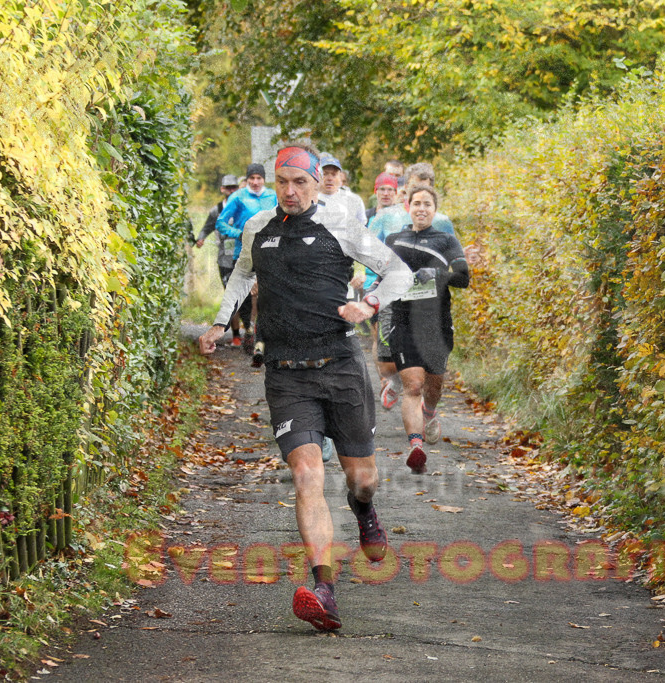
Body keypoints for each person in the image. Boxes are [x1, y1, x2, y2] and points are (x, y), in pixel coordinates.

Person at [199, 144, 413, 631]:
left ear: (317, 183)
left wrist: (371, 302)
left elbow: (400, 270)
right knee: (307, 476)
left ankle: (365, 512)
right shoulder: (259, 229)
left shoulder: (341, 226)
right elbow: (240, 277)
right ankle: (324, 588)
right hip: (287, 372)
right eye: (283, 182)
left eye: (300, 182)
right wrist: (218, 323)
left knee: (362, 479)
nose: (290, 191)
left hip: (340, 366)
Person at [385, 185, 469, 474]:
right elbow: (381, 274)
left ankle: (430, 413)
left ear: (435, 210)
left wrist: (436, 274)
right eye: (416, 203)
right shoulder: (394, 240)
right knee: (413, 386)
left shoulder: (446, 241)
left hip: (436, 324)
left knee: (433, 386)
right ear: (407, 206)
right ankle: (416, 445)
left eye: (427, 205)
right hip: (403, 320)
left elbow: (464, 278)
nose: (421, 209)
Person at [363, 172, 404, 409]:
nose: (386, 194)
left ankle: (395, 375)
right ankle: (385, 379)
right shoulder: (371, 217)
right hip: (373, 281)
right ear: (375, 192)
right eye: (382, 190)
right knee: (379, 332)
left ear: (396, 193)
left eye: (390, 190)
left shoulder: (401, 217)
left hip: (397, 281)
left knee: (396, 331)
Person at [195, 174, 243, 335]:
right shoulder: (216, 210)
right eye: (228, 188)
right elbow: (207, 226)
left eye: (233, 187)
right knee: (231, 297)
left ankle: (250, 331)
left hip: (244, 257)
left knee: (250, 297)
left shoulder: (243, 206)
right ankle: (236, 335)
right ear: (222, 189)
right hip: (224, 259)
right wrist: (201, 238)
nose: (231, 191)